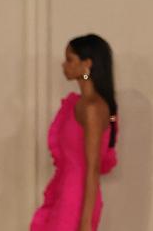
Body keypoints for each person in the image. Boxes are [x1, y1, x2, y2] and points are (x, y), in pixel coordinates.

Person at [31, 34, 118, 231]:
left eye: (70, 59)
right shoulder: (77, 105)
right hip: (64, 193)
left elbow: (93, 167)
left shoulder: (93, 108)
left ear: (87, 63)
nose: (64, 65)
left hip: (77, 200)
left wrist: (86, 223)